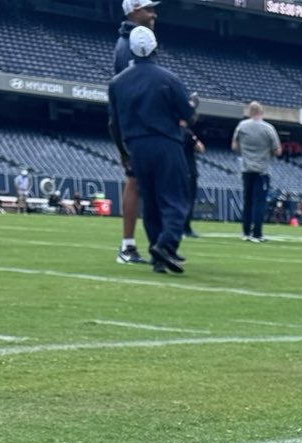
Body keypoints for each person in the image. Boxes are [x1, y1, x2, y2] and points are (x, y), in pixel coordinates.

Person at [108, 24, 193, 272]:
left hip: (136, 146)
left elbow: (113, 123)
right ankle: (165, 245)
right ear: (155, 47)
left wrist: (124, 153)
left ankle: (158, 257)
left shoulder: (117, 83)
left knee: (152, 203)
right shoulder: (168, 78)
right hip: (166, 142)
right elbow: (188, 113)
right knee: (176, 200)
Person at [113, 0, 156, 264]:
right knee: (135, 181)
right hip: (139, 126)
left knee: (138, 182)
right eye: (149, 9)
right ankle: (128, 245)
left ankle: (138, 243)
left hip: (135, 125)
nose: (154, 13)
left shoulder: (130, 40)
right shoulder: (129, 45)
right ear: (134, 11)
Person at [231, 101, 281, 243]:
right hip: (261, 170)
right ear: (261, 112)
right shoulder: (268, 128)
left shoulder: (242, 126)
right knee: (259, 202)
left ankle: (245, 231)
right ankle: (257, 233)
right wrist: (268, 152)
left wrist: (245, 153)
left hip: (246, 168)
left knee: (247, 201)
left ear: (249, 112)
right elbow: (277, 150)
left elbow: (234, 146)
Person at [182, 126, 202, 236]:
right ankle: (186, 228)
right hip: (189, 170)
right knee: (188, 200)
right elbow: (200, 148)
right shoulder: (188, 133)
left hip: (176, 169)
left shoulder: (172, 130)